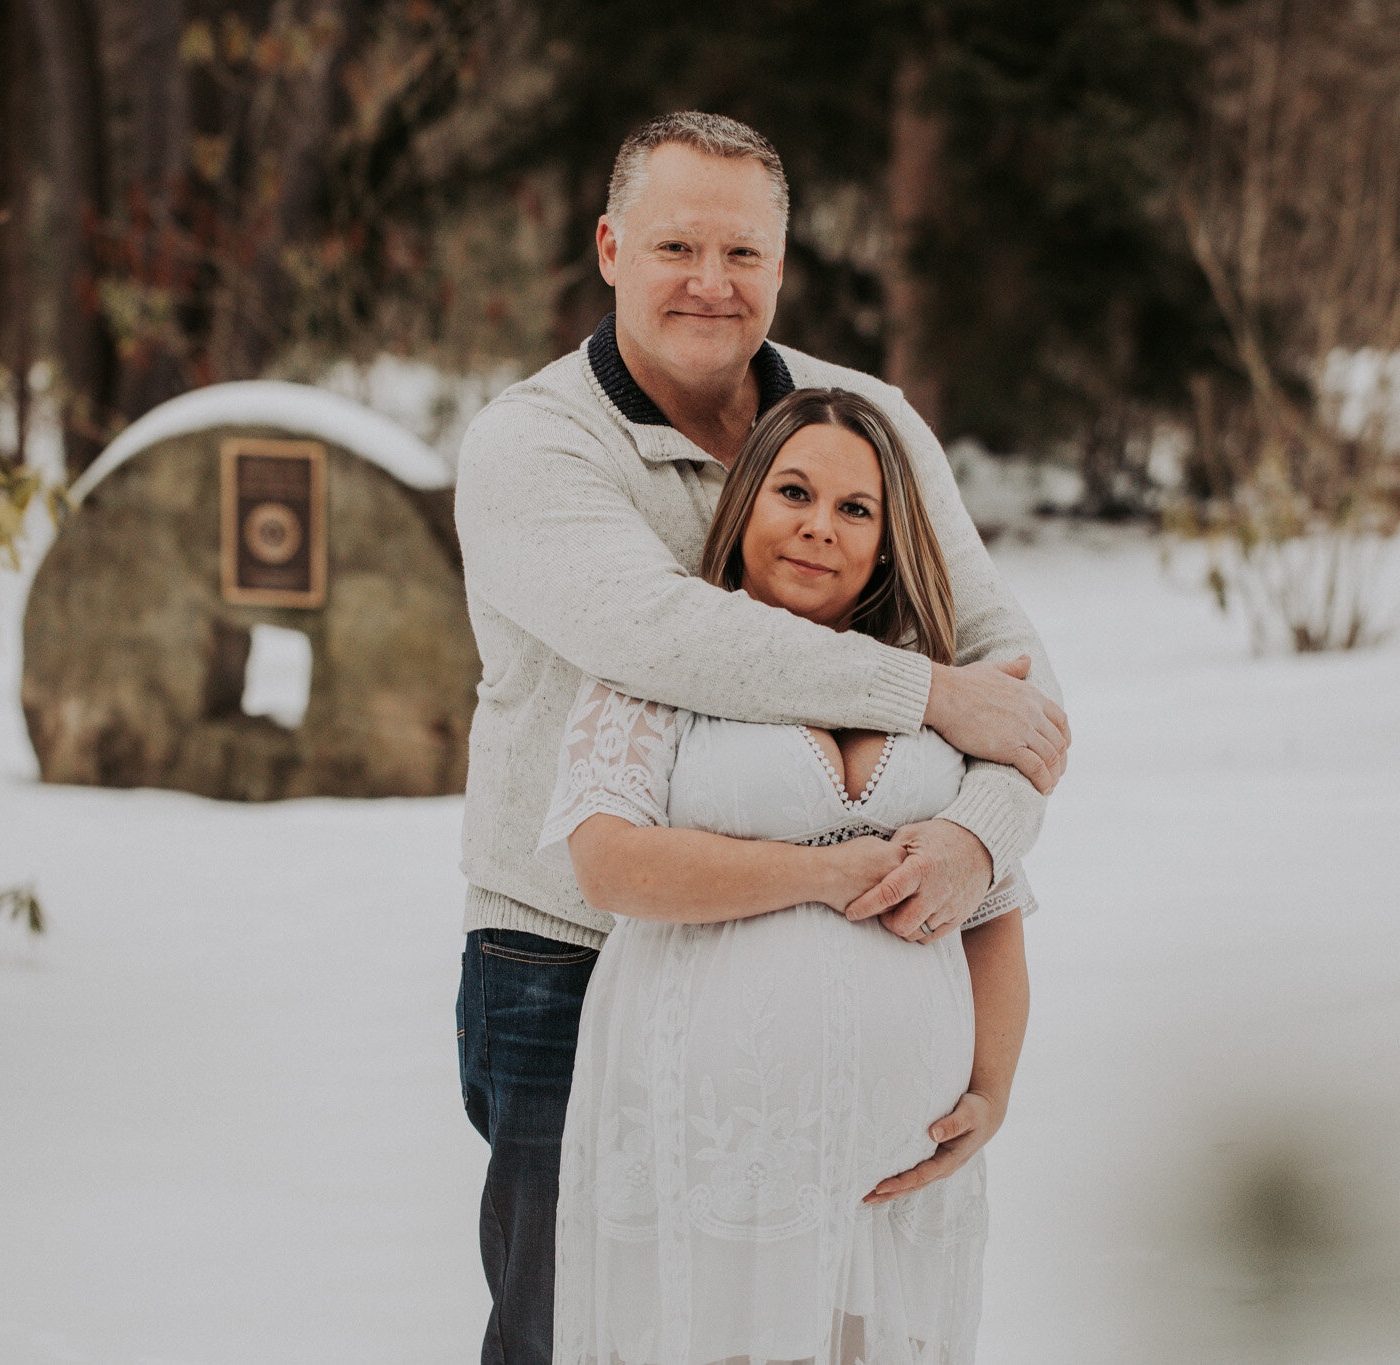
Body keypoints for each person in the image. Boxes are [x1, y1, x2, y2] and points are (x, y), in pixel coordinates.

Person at [453, 111, 1067, 1365]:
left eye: (742, 253)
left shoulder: (868, 424)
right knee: (575, 1331)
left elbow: (1011, 674)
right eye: (675, 244)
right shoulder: (535, 442)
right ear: (610, 246)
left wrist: (973, 840)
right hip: (566, 963)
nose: (708, 283)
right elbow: (670, 636)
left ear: (783, 265)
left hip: (851, 1068)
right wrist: (928, 697)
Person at [542, 387, 1031, 1365]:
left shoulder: (939, 684)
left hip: (893, 1166)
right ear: (744, 507)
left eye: (854, 510)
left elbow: (995, 902)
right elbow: (610, 863)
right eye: (793, 493)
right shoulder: (662, 663)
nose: (819, 528)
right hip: (715, 1146)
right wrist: (819, 877)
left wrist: (989, 1089)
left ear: (888, 541)